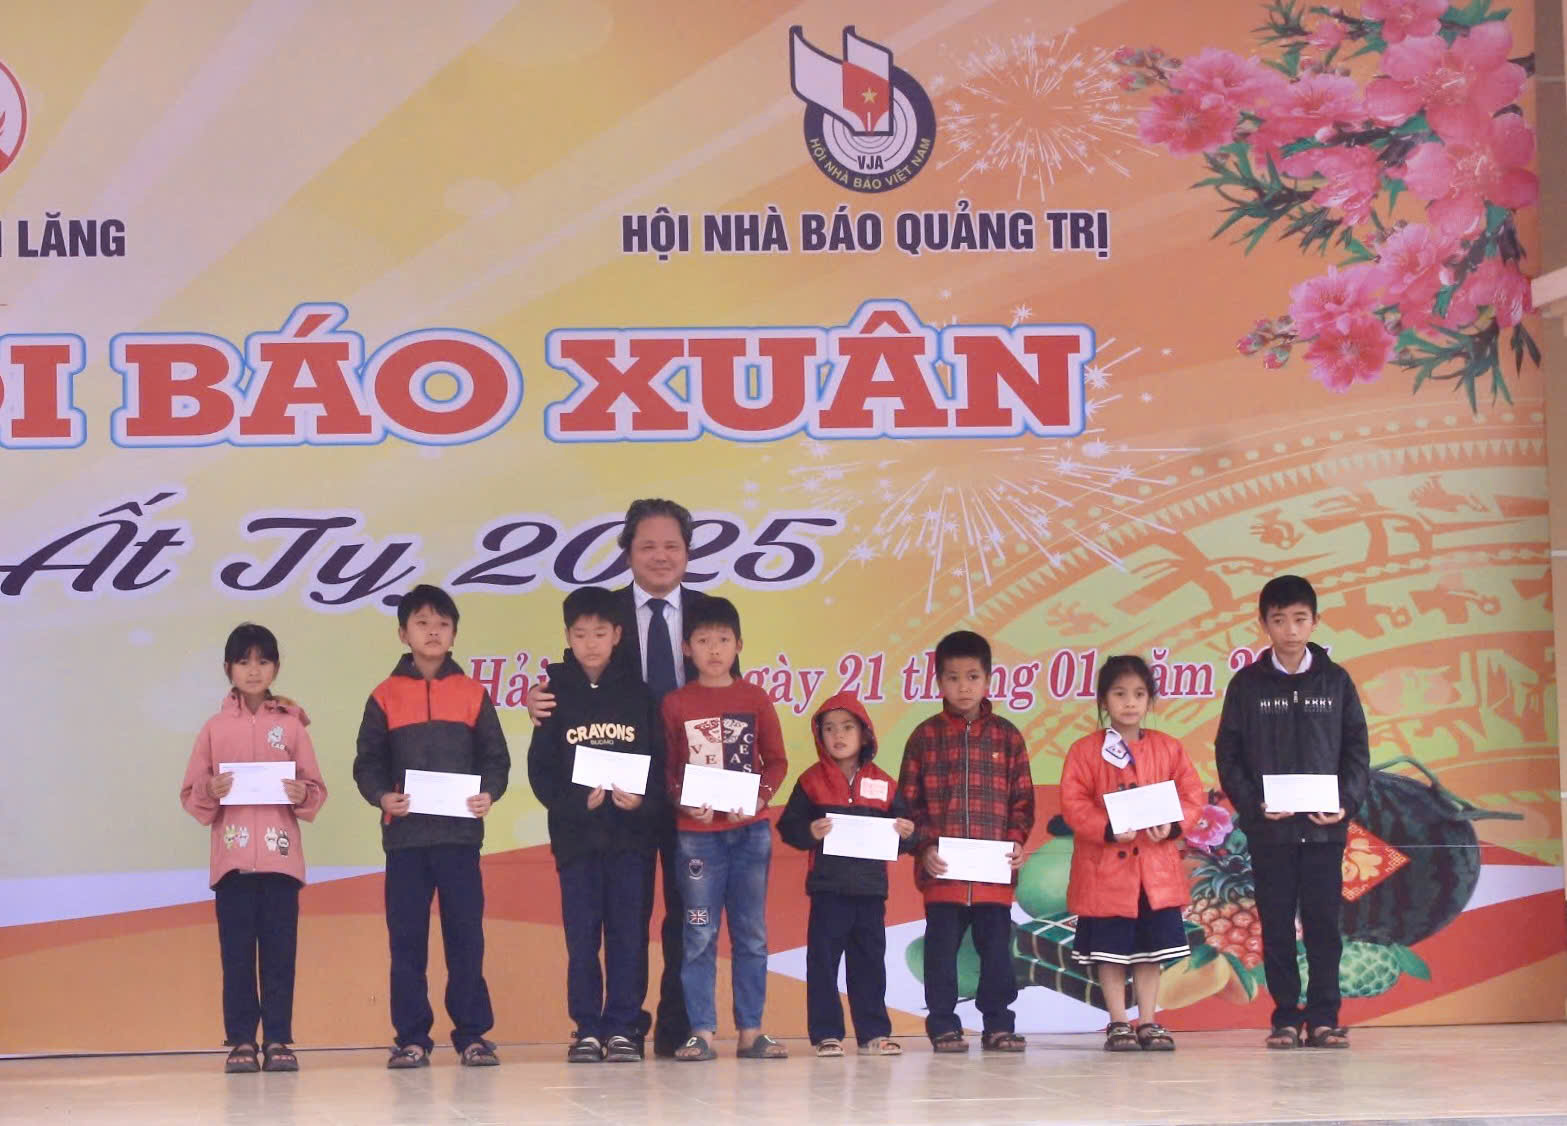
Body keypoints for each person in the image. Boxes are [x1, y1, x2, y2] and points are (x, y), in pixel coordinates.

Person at [528, 497, 727, 1056]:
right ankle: (624, 1025)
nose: (660, 556)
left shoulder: (711, 613)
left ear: (688, 552)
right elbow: (573, 690)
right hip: (619, 799)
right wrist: (539, 701)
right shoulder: (602, 613)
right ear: (628, 552)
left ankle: (679, 1026)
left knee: (691, 912)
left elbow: (724, 694)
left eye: (672, 545)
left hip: (692, 783)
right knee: (625, 917)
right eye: (648, 546)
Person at [352, 584, 511, 1068]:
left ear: (454, 634)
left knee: (466, 940)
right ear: (403, 633)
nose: (433, 632)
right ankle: (412, 1037)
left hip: (460, 839)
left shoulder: (472, 693)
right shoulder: (383, 695)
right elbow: (367, 763)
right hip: (405, 842)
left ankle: (472, 1035)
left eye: (443, 624)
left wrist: (489, 793)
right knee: (407, 943)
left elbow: (496, 758)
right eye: (422, 623)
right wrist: (383, 797)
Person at [1216, 574, 1370, 1050]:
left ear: (1315, 621)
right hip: (1272, 832)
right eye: (1279, 620)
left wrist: (1344, 803)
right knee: (1277, 924)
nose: (1290, 630)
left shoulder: (1336, 681)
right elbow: (1228, 754)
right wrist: (1255, 806)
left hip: (1325, 830)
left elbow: (1357, 751)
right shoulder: (1247, 685)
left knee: (1324, 925)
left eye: (1300, 619)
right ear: (1264, 624)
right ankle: (1285, 1016)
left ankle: (1323, 1018)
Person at [179, 622, 327, 1074]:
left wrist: (301, 794)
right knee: (238, 956)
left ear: (276, 667)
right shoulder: (214, 729)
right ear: (228, 668)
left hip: (281, 862)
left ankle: (279, 1039)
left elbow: (316, 790)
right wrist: (211, 788)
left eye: (263, 661)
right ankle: (242, 1040)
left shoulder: (292, 726)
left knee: (280, 955)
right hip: (233, 864)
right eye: (243, 661)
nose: (253, 670)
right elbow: (191, 795)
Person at [527, 586, 663, 1064]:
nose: (590, 643)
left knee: (629, 935)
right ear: (568, 636)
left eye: (600, 633)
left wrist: (640, 802)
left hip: (631, 840)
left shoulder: (640, 694)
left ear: (617, 635)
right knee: (582, 938)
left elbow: (659, 762)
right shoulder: (551, 694)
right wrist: (573, 803)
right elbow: (540, 771)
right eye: (581, 633)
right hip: (577, 841)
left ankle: (623, 1027)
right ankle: (586, 1027)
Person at [661, 597, 789, 1060]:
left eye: (722, 640)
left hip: (750, 834)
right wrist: (682, 801)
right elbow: (667, 770)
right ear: (686, 648)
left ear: (739, 645)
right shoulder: (676, 703)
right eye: (703, 640)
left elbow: (777, 761)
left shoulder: (754, 698)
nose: (713, 649)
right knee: (699, 933)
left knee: (751, 933)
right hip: (697, 839)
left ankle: (751, 1031)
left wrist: (758, 799)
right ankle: (702, 1032)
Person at [897, 629, 1035, 1053]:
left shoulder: (1007, 736)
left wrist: (1015, 841)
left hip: (994, 876)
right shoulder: (924, 737)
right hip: (943, 874)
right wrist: (925, 847)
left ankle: (998, 1024)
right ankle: (942, 1025)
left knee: (997, 954)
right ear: (939, 682)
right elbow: (908, 805)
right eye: (953, 678)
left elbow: (1022, 800)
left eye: (973, 677)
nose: (963, 687)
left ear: (988, 680)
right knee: (941, 953)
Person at [1060, 655, 1203, 1052]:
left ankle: (1149, 1020)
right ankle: (1119, 1021)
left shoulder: (1169, 748)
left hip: (1154, 872)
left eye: (1139, 694)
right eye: (1120, 694)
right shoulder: (1084, 751)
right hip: (1106, 871)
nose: (1129, 702)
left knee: (1150, 951)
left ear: (1150, 700)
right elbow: (1073, 803)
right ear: (1104, 700)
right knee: (1110, 951)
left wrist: (1172, 826)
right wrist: (1107, 828)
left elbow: (1192, 796)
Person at [776, 692, 915, 1057]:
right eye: (829, 728)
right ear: (819, 735)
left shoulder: (886, 784)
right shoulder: (810, 782)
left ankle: (874, 1033)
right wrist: (809, 832)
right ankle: (826, 1034)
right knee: (823, 964)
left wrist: (906, 834)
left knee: (869, 963)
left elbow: (907, 836)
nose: (838, 735)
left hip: (871, 891)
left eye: (848, 727)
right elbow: (789, 827)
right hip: (828, 890)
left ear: (865, 733)